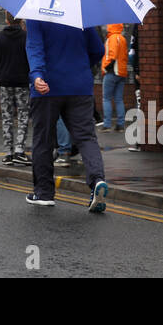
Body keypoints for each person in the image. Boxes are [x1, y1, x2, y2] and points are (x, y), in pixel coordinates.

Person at [25, 18, 108, 212]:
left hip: (47, 87)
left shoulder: (37, 15)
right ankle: (97, 180)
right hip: (79, 86)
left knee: (43, 139)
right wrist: (79, 67)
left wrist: (37, 75)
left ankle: (44, 193)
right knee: (86, 137)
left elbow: (35, 47)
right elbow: (98, 50)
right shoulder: (79, 15)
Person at [0, 15, 31, 165]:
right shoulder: (26, 37)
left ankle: (7, 153)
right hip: (22, 81)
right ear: (21, 20)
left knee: (7, 117)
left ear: (6, 20)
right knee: (23, 116)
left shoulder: (0, 37)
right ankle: (19, 150)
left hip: (4, 80)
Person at [99, 24, 129, 131]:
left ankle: (107, 124)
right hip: (121, 72)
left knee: (106, 98)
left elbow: (113, 55)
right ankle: (120, 124)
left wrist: (106, 68)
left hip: (112, 72)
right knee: (118, 99)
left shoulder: (112, 38)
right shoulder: (123, 39)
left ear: (111, 27)